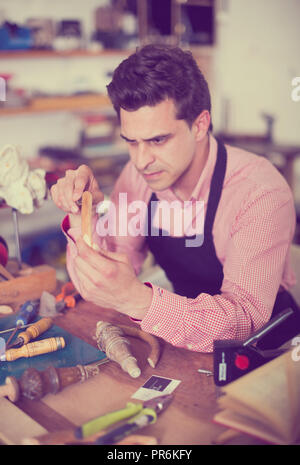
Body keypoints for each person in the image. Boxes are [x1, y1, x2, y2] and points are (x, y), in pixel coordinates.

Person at [51, 44, 299, 352]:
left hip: (267, 351)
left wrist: (137, 300)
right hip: (187, 345)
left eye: (158, 140)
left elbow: (244, 320)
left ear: (199, 125)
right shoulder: (138, 176)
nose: (142, 160)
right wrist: (82, 215)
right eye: (132, 142)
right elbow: (100, 281)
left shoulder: (259, 191)